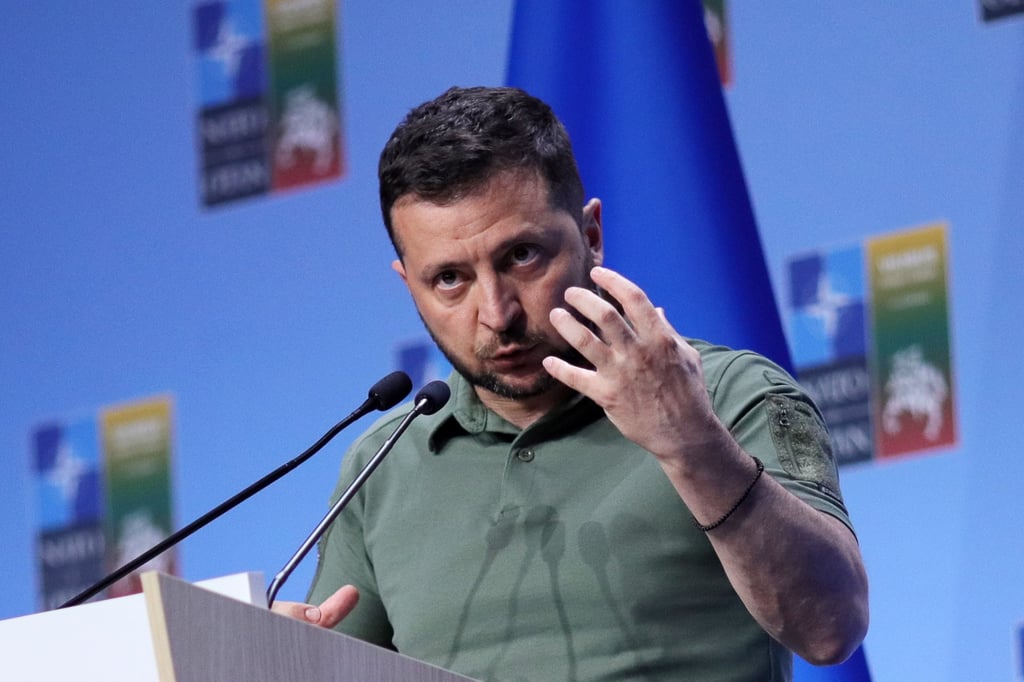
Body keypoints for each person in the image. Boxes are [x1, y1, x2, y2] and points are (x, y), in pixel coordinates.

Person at [277, 85, 869, 681]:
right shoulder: (381, 464)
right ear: (409, 284)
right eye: (450, 279)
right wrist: (281, 655)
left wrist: (691, 444)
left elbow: (831, 628)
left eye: (522, 256)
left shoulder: (728, 395)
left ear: (591, 236)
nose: (497, 314)